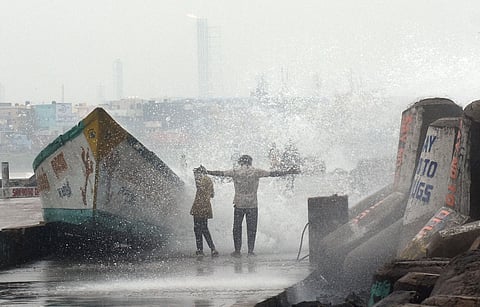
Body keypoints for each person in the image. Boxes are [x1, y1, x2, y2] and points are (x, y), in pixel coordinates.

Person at [206, 154, 299, 257]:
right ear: (250, 162)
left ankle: (237, 251)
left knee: (237, 228)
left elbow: (220, 173)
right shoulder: (256, 171)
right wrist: (288, 172)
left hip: (239, 204)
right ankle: (250, 251)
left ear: (240, 162)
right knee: (252, 229)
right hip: (252, 205)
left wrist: (207, 171)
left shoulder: (235, 171)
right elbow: (273, 173)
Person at [190, 165, 219, 258]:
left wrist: (195, 176)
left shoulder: (200, 179)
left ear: (200, 173)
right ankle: (212, 248)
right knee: (204, 228)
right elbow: (212, 195)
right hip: (206, 206)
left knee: (197, 229)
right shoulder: (209, 180)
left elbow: (199, 187)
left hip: (199, 206)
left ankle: (200, 250)